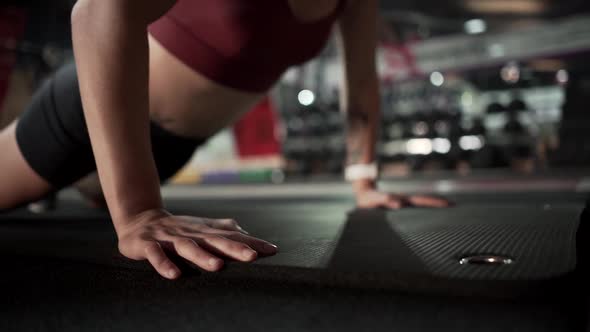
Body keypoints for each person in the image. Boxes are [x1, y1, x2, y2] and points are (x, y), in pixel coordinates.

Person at [0, 0, 449, 280]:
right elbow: (99, 9)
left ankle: (72, 192)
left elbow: (362, 80)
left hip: (171, 149)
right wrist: (138, 209)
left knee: (89, 199)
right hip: (84, 116)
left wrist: (364, 180)